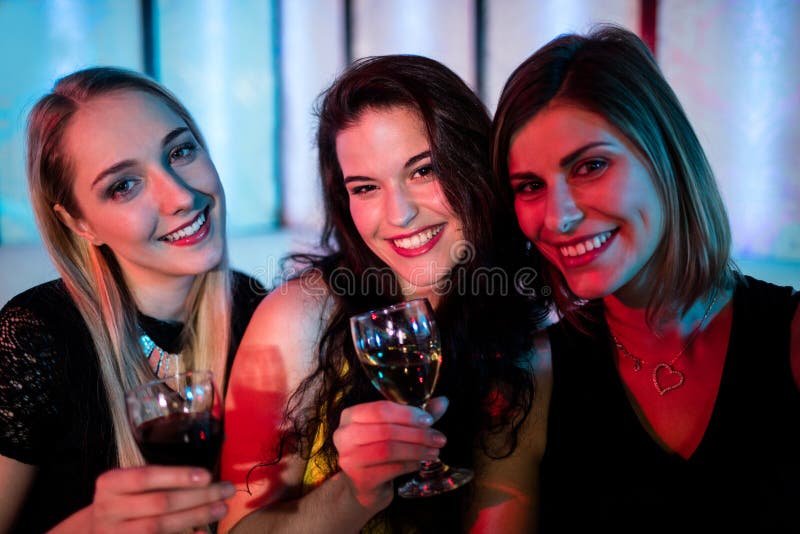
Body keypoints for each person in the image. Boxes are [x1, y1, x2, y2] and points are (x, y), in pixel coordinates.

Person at [473, 24, 800, 532]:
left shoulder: (791, 336)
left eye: (591, 166)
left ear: (664, 157)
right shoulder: (528, 378)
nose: (557, 217)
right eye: (531, 185)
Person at [219, 54, 543, 533]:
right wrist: (354, 492)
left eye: (423, 171)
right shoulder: (300, 316)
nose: (400, 214)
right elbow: (238, 530)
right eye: (366, 187)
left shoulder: (531, 326)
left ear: (474, 160)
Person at [0, 67, 265, 533]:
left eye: (181, 151)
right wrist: (93, 526)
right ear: (79, 223)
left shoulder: (263, 312)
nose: (180, 197)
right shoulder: (34, 337)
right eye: (124, 185)